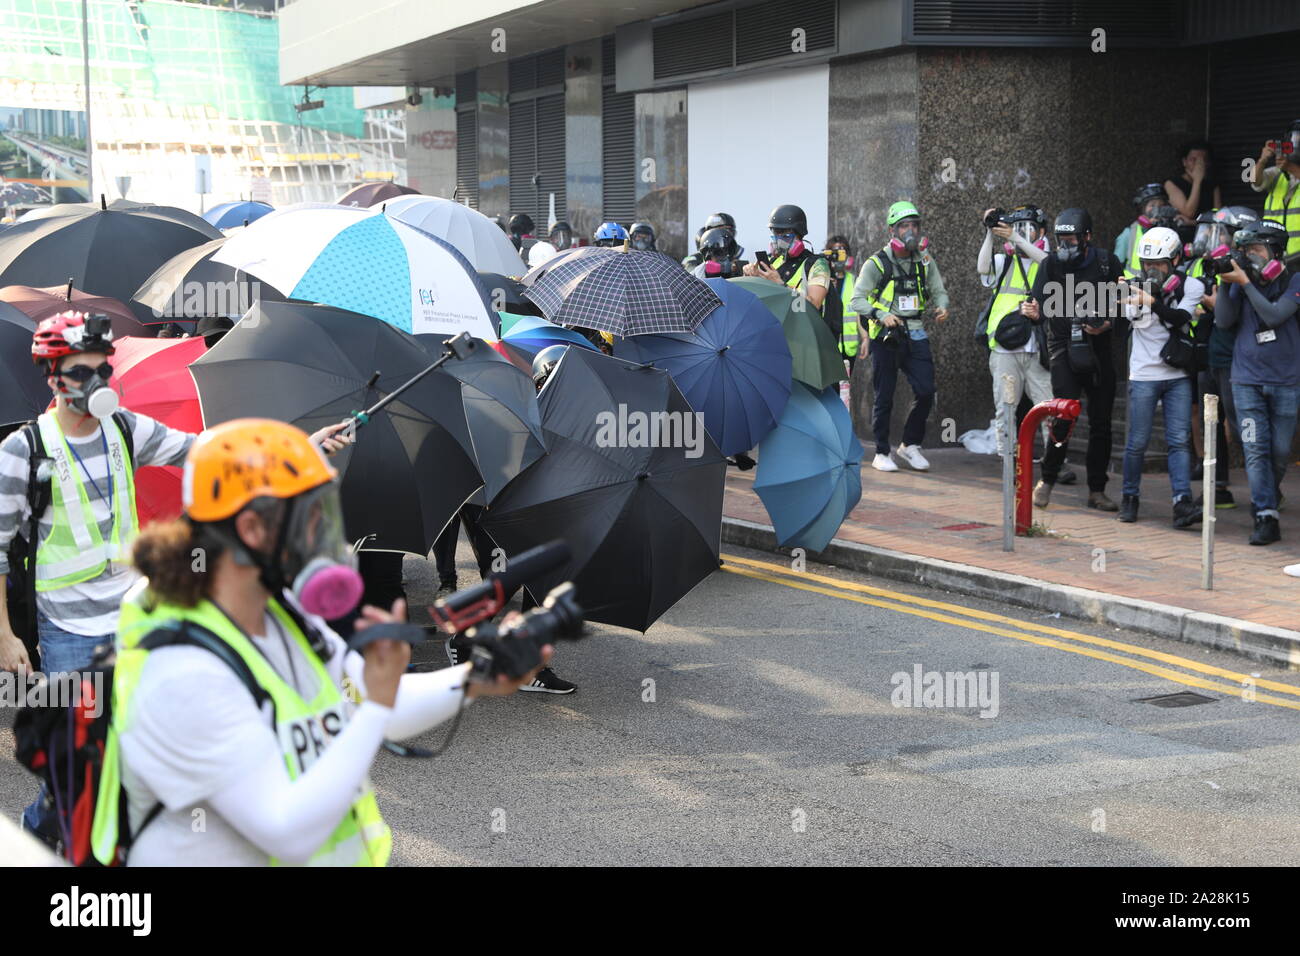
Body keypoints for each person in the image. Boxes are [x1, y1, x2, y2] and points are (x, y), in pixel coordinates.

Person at [108, 419, 549, 865]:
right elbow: (285, 831)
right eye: (311, 515)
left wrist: (479, 677)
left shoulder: (280, 611)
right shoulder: (180, 668)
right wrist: (375, 705)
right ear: (253, 529)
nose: (324, 532)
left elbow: (377, 701)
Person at [0, 311, 352, 846]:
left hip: (133, 622)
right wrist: (4, 636)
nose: (99, 384)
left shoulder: (124, 429)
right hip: (69, 636)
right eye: (83, 373)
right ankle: (38, 838)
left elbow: (210, 450)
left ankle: (122, 844)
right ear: (54, 377)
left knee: (140, 750)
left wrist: (302, 444)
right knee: (79, 762)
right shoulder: (22, 453)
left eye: (104, 370)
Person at [444, 344, 577, 695]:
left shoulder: (562, 414)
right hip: (495, 505)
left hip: (531, 507)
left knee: (537, 581)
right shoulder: (515, 406)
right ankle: (469, 642)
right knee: (511, 579)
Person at [1025, 208, 1123, 511]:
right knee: (1064, 415)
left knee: (1101, 424)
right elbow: (1036, 304)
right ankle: (1048, 479)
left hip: (1100, 351)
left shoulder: (1107, 262)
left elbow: (1124, 305)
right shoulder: (1051, 265)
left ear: (1087, 238)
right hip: (1063, 348)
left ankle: (1097, 490)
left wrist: (1107, 322)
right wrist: (1032, 311)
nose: (1065, 246)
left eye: (1071, 239)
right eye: (1061, 240)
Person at [1214, 218, 1300, 546]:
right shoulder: (1240, 281)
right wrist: (1226, 281)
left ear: (1276, 251)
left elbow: (1275, 315)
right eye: (1246, 249)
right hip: (1246, 379)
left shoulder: (1294, 279)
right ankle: (1265, 514)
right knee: (1254, 448)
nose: (1250, 256)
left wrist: (1247, 285)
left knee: (1279, 452)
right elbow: (1223, 320)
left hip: (1286, 381)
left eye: (1257, 249)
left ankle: (1267, 495)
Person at [850, 200, 950, 473]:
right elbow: (856, 300)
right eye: (904, 225)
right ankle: (882, 451)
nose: (911, 230)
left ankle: (910, 444)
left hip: (916, 330)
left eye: (914, 225)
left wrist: (942, 305)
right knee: (885, 395)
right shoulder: (877, 263)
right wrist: (881, 315)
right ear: (892, 230)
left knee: (926, 390)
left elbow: (938, 289)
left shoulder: (925, 259)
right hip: (887, 335)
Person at [1115, 226, 1204, 527]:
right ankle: (1130, 498)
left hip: (1177, 375)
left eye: (1159, 264)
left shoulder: (1191, 286)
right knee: (1136, 442)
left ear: (1176, 259)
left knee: (1179, 441)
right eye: (1147, 264)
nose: (1152, 270)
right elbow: (1133, 319)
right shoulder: (1132, 288)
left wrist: (1154, 301)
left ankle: (1182, 504)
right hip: (1143, 375)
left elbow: (1180, 319)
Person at [1187, 206, 1260, 510]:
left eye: (1223, 234)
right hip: (1212, 356)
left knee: (1246, 428)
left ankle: (1267, 491)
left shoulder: (1250, 273)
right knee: (1211, 422)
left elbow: (1238, 316)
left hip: (1238, 360)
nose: (1214, 239)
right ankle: (1218, 487)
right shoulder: (1211, 266)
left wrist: (1217, 304)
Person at [976, 205, 1053, 455]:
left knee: (1049, 406)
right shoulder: (1005, 261)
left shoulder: (1047, 261)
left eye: (1028, 228)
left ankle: (1054, 461)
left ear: (1041, 231)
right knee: (1006, 406)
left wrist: (1015, 237)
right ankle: (1008, 458)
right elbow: (982, 267)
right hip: (1005, 348)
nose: (1021, 233)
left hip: (1037, 350)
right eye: (1018, 227)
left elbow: (1049, 264)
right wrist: (990, 232)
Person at [1250, 120, 1300, 266]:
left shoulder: (1287, 168)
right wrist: (1262, 159)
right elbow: (1254, 180)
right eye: (1294, 139)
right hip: (1275, 257)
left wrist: (1290, 167)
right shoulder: (1277, 174)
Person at [1115, 184, 1169, 277]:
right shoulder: (1129, 233)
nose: (1157, 210)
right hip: (1134, 287)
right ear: (1142, 209)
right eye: (1152, 205)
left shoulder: (1169, 232)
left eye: (1161, 205)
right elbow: (1115, 265)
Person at [824, 234, 861, 371]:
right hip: (828, 344)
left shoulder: (854, 281)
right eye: (835, 252)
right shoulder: (822, 280)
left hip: (848, 346)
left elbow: (860, 312)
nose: (839, 255)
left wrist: (865, 337)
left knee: (844, 387)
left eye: (842, 251)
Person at [1164, 140, 1222, 225]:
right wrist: (1197, 181)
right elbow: (1188, 213)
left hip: (1206, 231)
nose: (1199, 164)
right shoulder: (1172, 184)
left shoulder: (1212, 185)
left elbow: (1219, 217)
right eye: (1193, 160)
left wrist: (1194, 223)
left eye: (1204, 160)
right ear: (1184, 162)